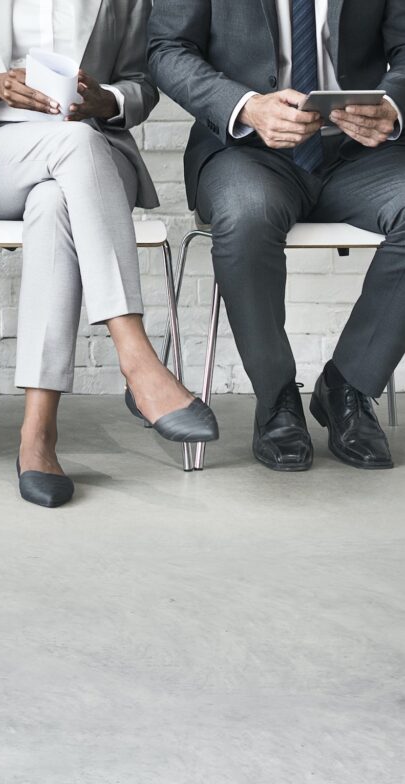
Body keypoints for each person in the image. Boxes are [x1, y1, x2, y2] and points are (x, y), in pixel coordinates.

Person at [0, 0, 218, 509]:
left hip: (91, 159)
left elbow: (141, 85)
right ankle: (139, 361)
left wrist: (107, 102)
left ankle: (38, 435)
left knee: (56, 196)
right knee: (72, 147)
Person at [149, 0, 405, 472]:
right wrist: (245, 106)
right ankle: (276, 398)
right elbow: (167, 47)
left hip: (357, 153)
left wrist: (390, 104)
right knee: (246, 214)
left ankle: (348, 386)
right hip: (246, 149)